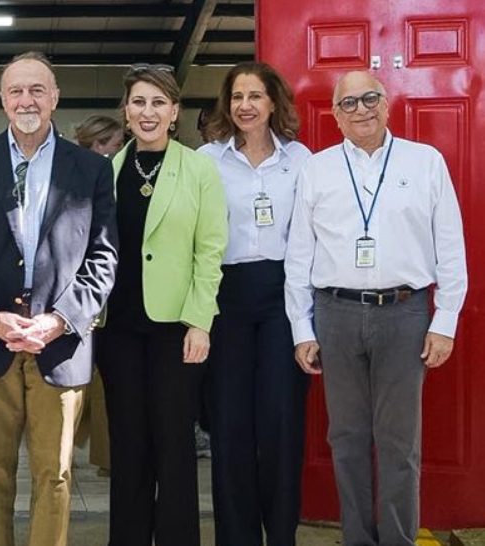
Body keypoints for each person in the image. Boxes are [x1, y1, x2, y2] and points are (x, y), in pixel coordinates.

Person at [0, 51, 118, 546]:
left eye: (37, 89)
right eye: (16, 90)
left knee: (54, 475)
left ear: (55, 97)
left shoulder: (92, 169)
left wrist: (59, 320)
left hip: (58, 347)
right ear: (2, 99)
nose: (26, 99)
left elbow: (103, 259)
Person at [285, 71, 467, 546]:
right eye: (349, 103)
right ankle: (358, 539)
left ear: (387, 105)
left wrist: (444, 321)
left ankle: (398, 540)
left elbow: (450, 246)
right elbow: (299, 254)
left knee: (399, 443)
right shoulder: (317, 169)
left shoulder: (424, 162)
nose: (361, 108)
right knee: (345, 440)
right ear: (336, 115)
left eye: (371, 98)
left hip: (405, 315)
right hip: (335, 314)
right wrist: (301, 328)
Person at [96, 63, 227, 546]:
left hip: (177, 328)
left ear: (174, 112)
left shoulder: (198, 169)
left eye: (157, 103)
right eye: (138, 102)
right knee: (128, 445)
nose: (147, 112)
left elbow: (210, 249)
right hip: (118, 330)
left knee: (174, 444)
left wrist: (200, 322)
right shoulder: (107, 170)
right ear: (126, 112)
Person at [198, 62, 311, 546]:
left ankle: (281, 534)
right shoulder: (206, 159)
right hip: (226, 296)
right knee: (229, 424)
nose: (245, 105)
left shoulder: (301, 160)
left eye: (255, 96)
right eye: (237, 96)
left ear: (272, 103)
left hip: (284, 296)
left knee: (281, 421)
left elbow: (311, 238)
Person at [71, 113, 123, 477]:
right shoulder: (92, 174)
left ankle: (97, 453)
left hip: (102, 292)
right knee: (86, 380)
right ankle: (99, 456)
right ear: (98, 143)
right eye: (114, 144)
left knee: (92, 380)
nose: (119, 150)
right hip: (83, 294)